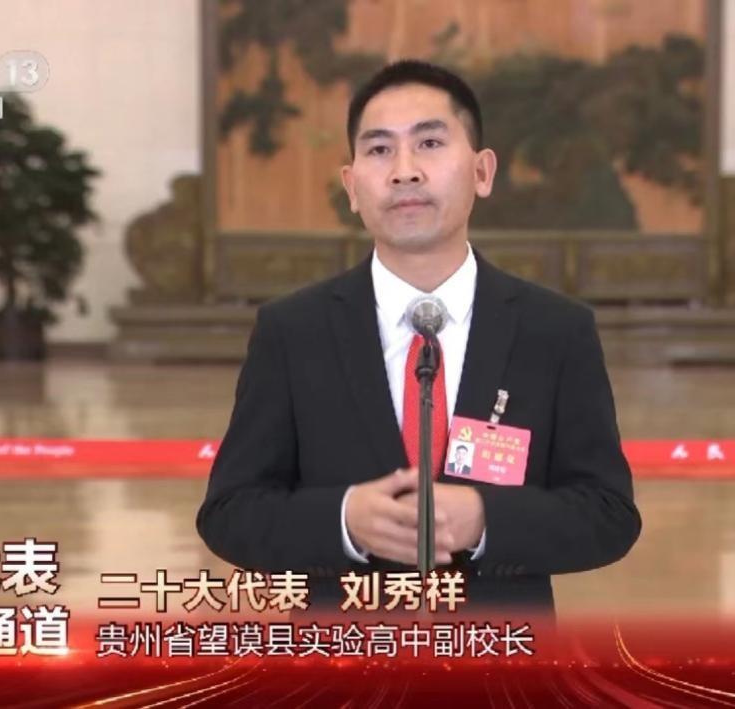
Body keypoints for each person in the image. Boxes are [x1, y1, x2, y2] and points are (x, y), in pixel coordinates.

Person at [196, 59, 640, 614]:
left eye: (429, 143)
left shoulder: (554, 330)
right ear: (352, 186)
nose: (404, 171)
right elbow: (231, 513)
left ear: (482, 172)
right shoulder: (293, 331)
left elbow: (607, 515)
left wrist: (485, 521)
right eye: (380, 149)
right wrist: (344, 521)